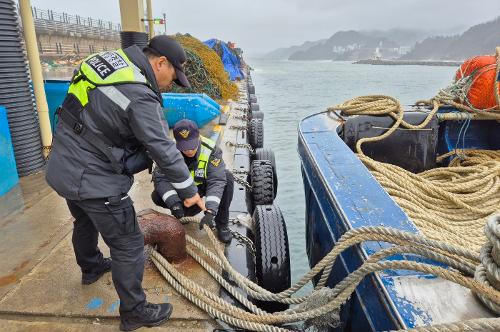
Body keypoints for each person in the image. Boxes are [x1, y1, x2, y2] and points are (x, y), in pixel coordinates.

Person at [45, 35, 205, 331]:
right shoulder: (139, 92)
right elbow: (162, 146)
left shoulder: (107, 61)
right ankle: (134, 312)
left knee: (83, 220)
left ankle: (91, 267)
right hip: (94, 180)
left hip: (63, 165)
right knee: (128, 244)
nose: (170, 84)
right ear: (160, 63)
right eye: (173, 76)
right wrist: (189, 191)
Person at [151, 119, 234, 243]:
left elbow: (216, 180)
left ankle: (222, 224)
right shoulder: (168, 152)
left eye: (192, 146)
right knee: (157, 195)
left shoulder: (211, 150)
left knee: (227, 177)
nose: (189, 151)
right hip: (183, 192)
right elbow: (160, 178)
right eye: (184, 148)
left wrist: (210, 211)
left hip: (202, 186)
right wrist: (174, 203)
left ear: (198, 138)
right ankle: (182, 210)